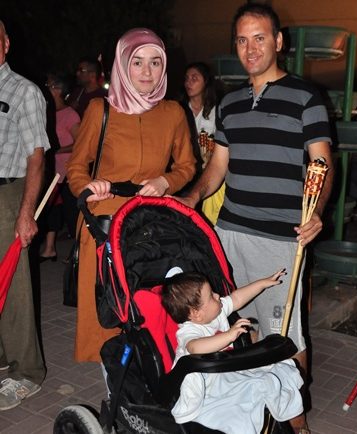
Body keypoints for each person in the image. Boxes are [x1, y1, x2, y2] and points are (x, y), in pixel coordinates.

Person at [176, 3, 334, 433]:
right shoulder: (228, 103)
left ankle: (297, 422)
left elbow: (322, 163)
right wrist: (192, 197)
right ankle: (256, 403)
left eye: (260, 38)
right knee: (239, 324)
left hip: (281, 238)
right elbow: (218, 167)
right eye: (242, 40)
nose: (251, 49)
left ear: (278, 41)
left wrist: (317, 213)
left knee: (286, 335)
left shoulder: (306, 98)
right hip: (229, 232)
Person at [67, 28, 196, 363]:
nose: (147, 71)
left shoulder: (173, 113)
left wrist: (166, 181)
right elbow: (76, 166)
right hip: (104, 223)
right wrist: (88, 188)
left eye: (155, 62)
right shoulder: (100, 109)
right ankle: (114, 381)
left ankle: (149, 373)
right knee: (107, 314)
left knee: (149, 308)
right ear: (122, 65)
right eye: (137, 62)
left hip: (151, 223)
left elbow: (187, 166)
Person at [161, 270, 304, 433]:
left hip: (226, 371)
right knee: (242, 410)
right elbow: (195, 347)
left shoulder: (216, 311)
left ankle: (282, 414)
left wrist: (262, 283)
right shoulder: (189, 331)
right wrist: (229, 335)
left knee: (277, 374)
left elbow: (237, 298)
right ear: (197, 314)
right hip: (209, 386)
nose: (217, 295)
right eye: (211, 296)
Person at [0, 20, 49, 410]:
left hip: (10, 193)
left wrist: (26, 212)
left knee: (15, 284)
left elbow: (36, 156)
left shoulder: (24, 91)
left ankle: (27, 373)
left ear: (5, 44)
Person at [39, 73, 80, 261]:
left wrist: (57, 150)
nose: (45, 88)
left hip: (68, 173)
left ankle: (80, 254)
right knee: (52, 211)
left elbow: (81, 143)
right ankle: (49, 249)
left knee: (73, 214)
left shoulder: (70, 114)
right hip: (51, 172)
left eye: (48, 85)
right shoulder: (47, 112)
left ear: (57, 89)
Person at [180, 62, 225, 224]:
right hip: (186, 174)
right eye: (186, 78)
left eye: (194, 78)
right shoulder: (179, 109)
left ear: (205, 81)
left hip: (210, 175)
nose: (189, 82)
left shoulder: (217, 110)